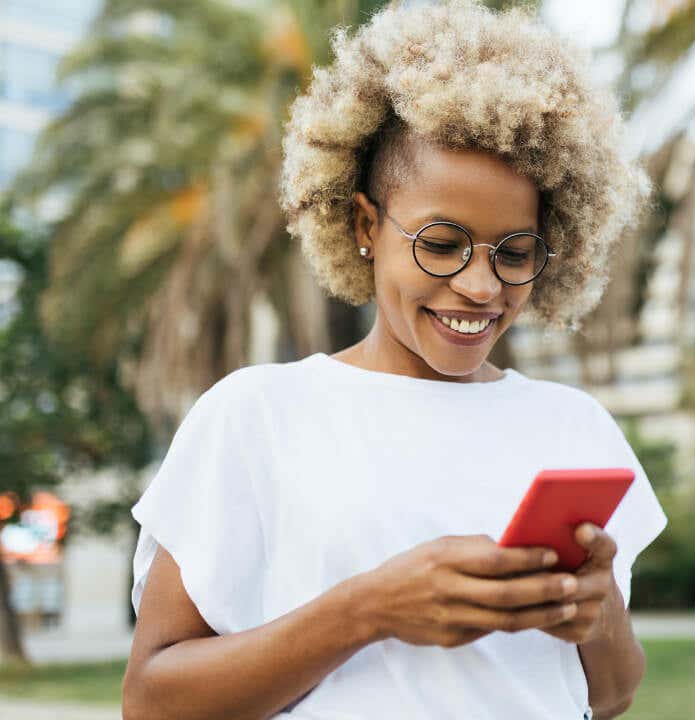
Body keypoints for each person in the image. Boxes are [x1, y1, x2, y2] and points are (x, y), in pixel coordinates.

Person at [121, 3, 666, 718]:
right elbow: (152, 700)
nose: (481, 285)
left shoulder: (572, 425)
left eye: (515, 252)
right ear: (366, 226)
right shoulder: (257, 416)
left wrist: (595, 614)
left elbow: (614, 693)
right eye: (441, 244)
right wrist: (368, 610)